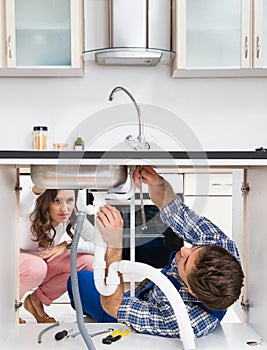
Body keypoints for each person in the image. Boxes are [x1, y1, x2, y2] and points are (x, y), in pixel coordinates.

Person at [67, 165, 244, 338]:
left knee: (77, 281)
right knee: (88, 280)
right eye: (195, 249)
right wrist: (157, 183)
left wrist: (114, 244)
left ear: (192, 291)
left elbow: (114, 306)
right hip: (149, 291)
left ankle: (95, 313)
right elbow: (175, 211)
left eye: (186, 261)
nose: (184, 250)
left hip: (138, 308)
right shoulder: (220, 246)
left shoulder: (187, 320)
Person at [19, 185, 95, 324]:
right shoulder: (31, 212)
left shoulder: (73, 217)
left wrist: (67, 245)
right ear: (46, 201)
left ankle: (36, 301)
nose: (64, 209)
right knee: (36, 267)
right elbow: (19, 207)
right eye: (56, 201)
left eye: (70, 200)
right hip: (14, 266)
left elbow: (101, 245)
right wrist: (35, 191)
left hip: (41, 266)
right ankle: (9, 309)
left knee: (88, 263)